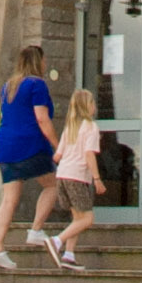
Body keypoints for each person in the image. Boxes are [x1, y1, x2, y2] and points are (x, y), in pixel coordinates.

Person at [0, 43, 58, 270]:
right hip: (30, 145)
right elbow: (42, 119)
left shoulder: (9, 86)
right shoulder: (37, 85)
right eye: (44, 60)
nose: (46, 64)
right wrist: (58, 146)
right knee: (52, 185)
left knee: (8, 200)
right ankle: (36, 230)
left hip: (6, 148)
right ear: (38, 61)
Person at [45, 86, 104, 271]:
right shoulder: (91, 127)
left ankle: (69, 255)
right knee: (87, 219)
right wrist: (97, 178)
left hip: (62, 176)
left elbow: (58, 155)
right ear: (87, 106)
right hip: (78, 178)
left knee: (77, 218)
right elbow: (89, 154)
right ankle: (57, 241)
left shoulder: (70, 128)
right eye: (92, 102)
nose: (95, 106)